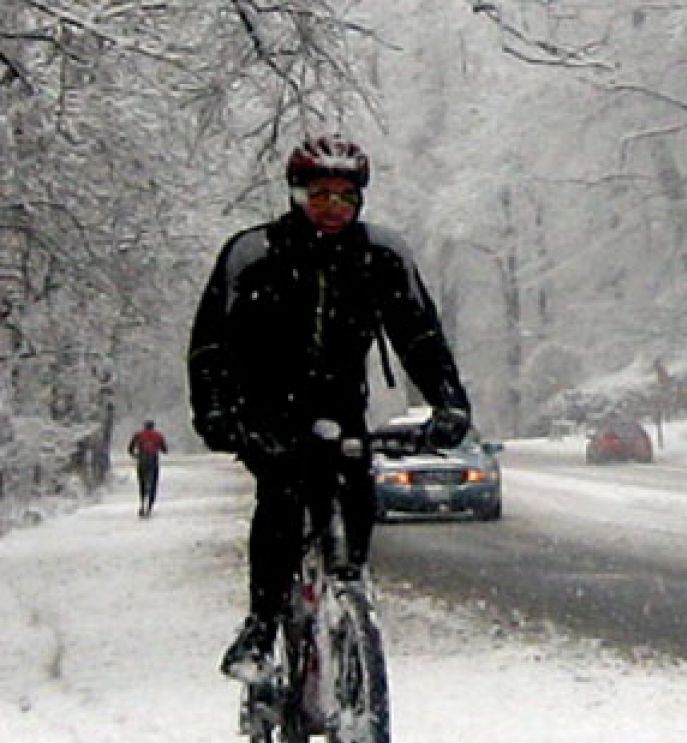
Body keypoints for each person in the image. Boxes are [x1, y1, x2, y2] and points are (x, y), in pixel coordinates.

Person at [187, 133, 472, 683]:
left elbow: (420, 337)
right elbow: (210, 343)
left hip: (342, 408)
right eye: (320, 195)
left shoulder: (381, 257)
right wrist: (217, 414)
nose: (333, 208)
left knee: (356, 496)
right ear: (297, 194)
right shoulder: (254, 253)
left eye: (345, 197)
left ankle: (346, 607)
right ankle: (262, 626)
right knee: (282, 499)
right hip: (266, 409)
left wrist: (449, 404)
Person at [126, 419, 168, 517]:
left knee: (142, 483)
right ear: (153, 426)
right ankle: (149, 506)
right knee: (153, 483)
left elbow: (130, 448)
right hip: (153, 461)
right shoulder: (158, 435)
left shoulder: (138, 435)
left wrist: (135, 455)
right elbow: (164, 449)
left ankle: (142, 503)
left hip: (142, 460)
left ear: (144, 426)